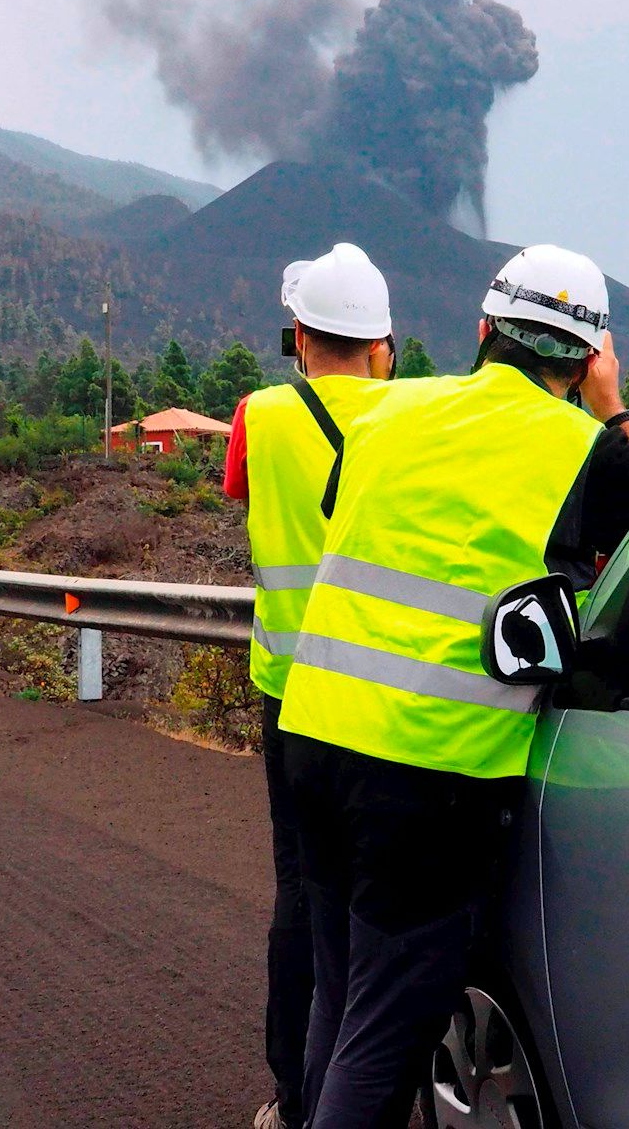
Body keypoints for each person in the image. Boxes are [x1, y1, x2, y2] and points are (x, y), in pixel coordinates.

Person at [279, 244, 629, 1127]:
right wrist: (614, 407)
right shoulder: (584, 449)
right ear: (588, 358)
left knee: (340, 990)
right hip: (426, 773)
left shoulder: (388, 412)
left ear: (482, 331)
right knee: (386, 1024)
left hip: (312, 737)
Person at [222, 243, 395, 1129]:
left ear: (298, 335)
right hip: (381, 689)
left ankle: (295, 1093)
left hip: (288, 689)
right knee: (383, 900)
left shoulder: (260, 414)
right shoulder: (405, 416)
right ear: (383, 344)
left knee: (302, 888)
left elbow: (237, 491)